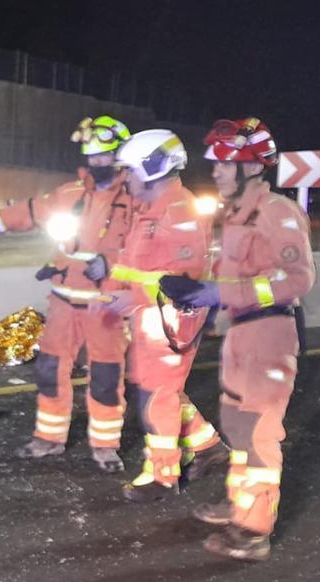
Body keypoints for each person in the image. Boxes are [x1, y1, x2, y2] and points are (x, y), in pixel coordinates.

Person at [160, 118, 314, 561]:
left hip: (270, 331)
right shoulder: (235, 216)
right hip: (242, 332)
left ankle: (252, 531)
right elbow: (233, 277)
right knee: (237, 426)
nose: (218, 172)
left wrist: (221, 293)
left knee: (260, 433)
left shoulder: (277, 212)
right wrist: (199, 297)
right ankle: (240, 504)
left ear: (252, 167)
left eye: (226, 164)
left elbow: (298, 278)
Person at [0, 116, 133, 472]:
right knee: (49, 370)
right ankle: (49, 439)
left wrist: (110, 263)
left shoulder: (136, 202)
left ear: (120, 155)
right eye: (91, 156)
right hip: (64, 302)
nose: (97, 162)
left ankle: (105, 446)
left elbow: (145, 249)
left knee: (107, 378)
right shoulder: (69, 194)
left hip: (105, 307)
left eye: (104, 155)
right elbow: (25, 213)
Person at [87, 129, 228, 501]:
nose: (125, 178)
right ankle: (209, 446)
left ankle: (162, 475)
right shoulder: (152, 209)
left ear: (152, 168)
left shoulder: (178, 211)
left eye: (130, 171)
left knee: (157, 396)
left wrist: (129, 297)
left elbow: (182, 283)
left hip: (171, 319)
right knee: (158, 389)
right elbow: (141, 267)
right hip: (153, 316)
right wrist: (113, 284)